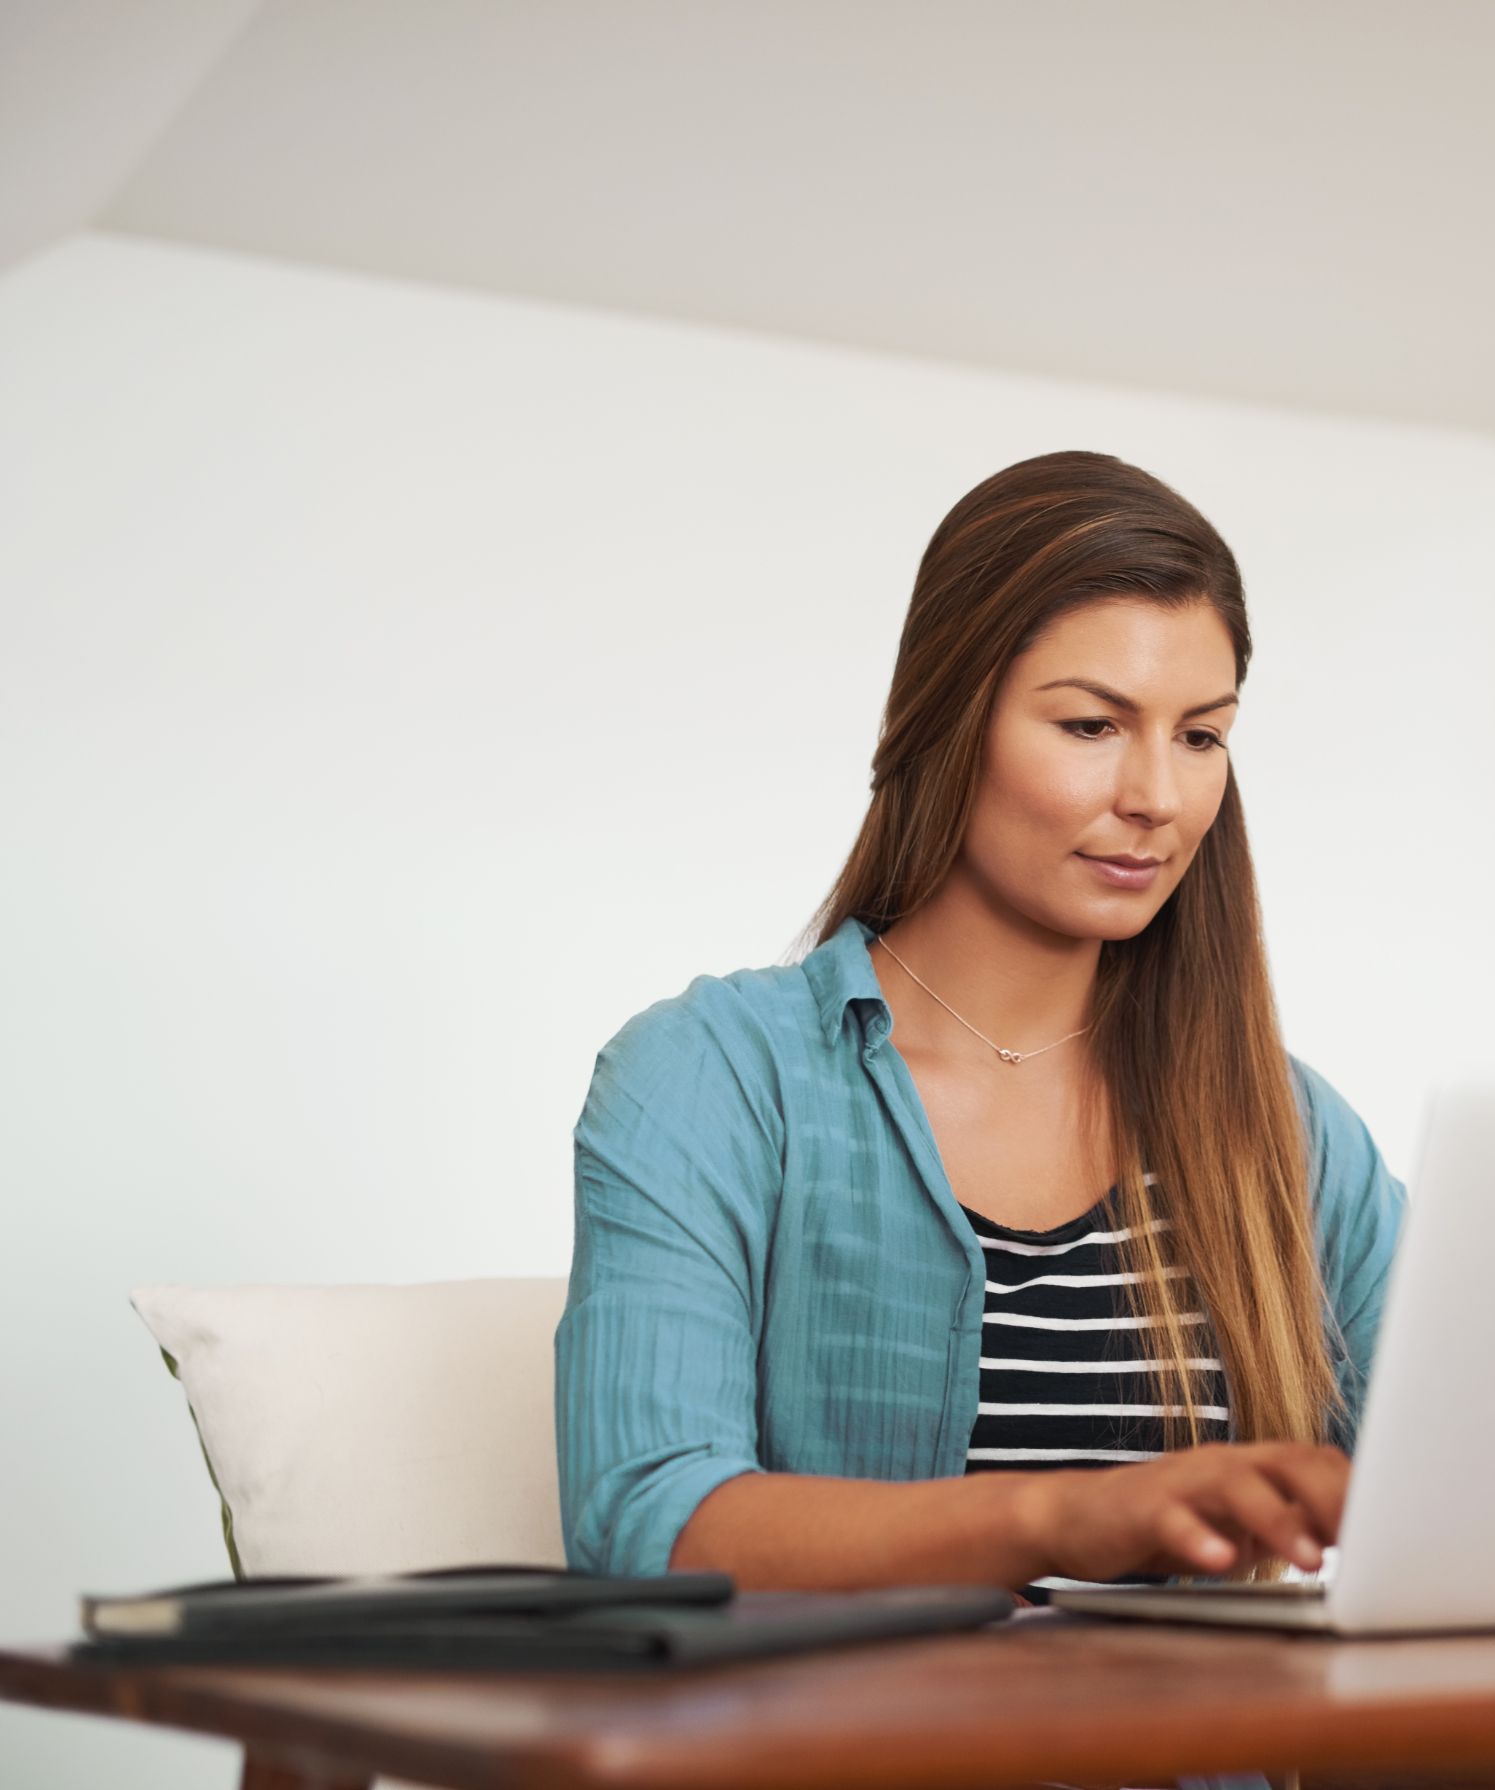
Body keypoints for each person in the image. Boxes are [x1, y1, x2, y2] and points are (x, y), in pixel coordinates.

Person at [553, 450, 1409, 1608]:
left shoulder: (1281, 1125)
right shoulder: (712, 1077)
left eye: (1200, 735)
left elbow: (1480, 1459)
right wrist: (1060, 1513)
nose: (1157, 794)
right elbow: (648, 1519)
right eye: (1092, 723)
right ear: (950, 715)